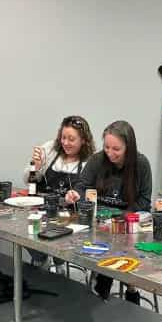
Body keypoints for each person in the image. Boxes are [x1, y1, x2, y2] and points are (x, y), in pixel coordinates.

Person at [66, 120, 152, 304]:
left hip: (129, 225)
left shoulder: (141, 164)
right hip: (100, 225)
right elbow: (82, 186)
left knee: (121, 250)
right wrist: (75, 194)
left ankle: (127, 292)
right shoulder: (98, 160)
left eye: (116, 149)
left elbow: (144, 201)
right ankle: (104, 292)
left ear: (128, 148)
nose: (110, 153)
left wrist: (120, 218)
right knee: (105, 248)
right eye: (107, 147)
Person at [23, 115, 95, 273]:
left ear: (83, 140)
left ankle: (58, 264)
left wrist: (76, 196)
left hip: (69, 218)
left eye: (71, 139)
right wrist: (35, 166)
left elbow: (89, 194)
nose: (65, 143)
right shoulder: (49, 150)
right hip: (41, 210)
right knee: (26, 233)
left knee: (61, 242)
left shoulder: (90, 162)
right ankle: (41, 260)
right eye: (63, 137)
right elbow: (29, 182)